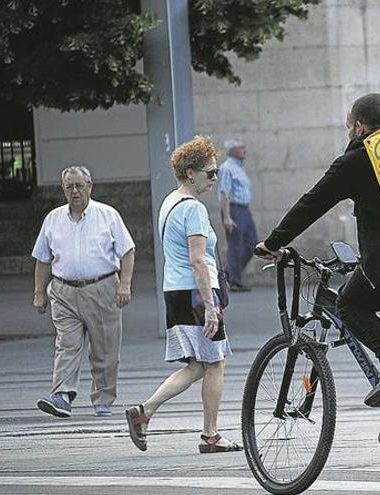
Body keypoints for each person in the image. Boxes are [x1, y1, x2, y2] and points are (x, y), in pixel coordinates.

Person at [255, 94, 380, 450]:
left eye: (350, 125)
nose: (350, 131)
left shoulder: (359, 158)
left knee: (350, 306)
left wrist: (274, 242)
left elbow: (312, 203)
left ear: (360, 127)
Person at [125, 136, 241, 454]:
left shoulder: (169, 202)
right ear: (190, 173)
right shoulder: (193, 209)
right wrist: (210, 306)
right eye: (210, 173)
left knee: (197, 366)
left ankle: (143, 413)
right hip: (195, 294)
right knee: (214, 364)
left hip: (176, 292)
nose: (214, 178)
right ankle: (211, 436)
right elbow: (198, 259)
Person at [32, 166, 135, 418]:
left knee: (105, 349)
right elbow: (43, 259)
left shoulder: (107, 215)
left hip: (102, 289)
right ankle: (62, 395)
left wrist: (125, 285)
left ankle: (103, 399)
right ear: (63, 189)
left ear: (90, 186)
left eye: (79, 186)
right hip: (63, 291)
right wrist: (38, 293)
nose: (74, 191)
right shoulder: (53, 219)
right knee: (66, 345)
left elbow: (127, 251)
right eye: (69, 187)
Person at [218, 138, 257, 292]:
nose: (244, 151)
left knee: (252, 244)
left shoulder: (240, 168)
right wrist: (227, 217)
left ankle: (229, 273)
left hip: (244, 209)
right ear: (233, 150)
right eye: (241, 148)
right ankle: (234, 281)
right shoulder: (227, 168)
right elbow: (224, 193)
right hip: (233, 209)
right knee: (236, 245)